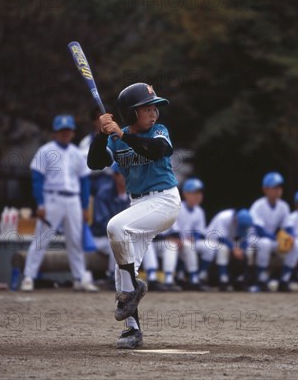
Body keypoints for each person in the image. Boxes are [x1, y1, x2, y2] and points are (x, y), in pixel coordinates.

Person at [87, 83, 180, 349]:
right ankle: (132, 331)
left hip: (164, 201)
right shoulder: (118, 137)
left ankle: (135, 289)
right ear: (130, 113)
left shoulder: (158, 132)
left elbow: (157, 150)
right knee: (122, 269)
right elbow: (95, 163)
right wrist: (101, 134)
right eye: (146, 109)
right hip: (138, 205)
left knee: (115, 227)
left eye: (154, 108)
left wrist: (122, 136)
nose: (153, 114)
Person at [20, 114, 99, 293]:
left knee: (75, 241)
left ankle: (79, 278)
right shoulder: (45, 150)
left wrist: (85, 206)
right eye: (62, 130)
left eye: (68, 130)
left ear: (72, 133)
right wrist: (40, 204)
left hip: (73, 200)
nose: (65, 133)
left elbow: (85, 182)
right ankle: (28, 277)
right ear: (55, 132)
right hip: (52, 198)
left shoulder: (77, 153)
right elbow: (37, 179)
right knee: (42, 239)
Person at [142, 178, 208, 292]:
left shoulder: (199, 211)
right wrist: (177, 238)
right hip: (156, 242)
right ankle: (168, 279)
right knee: (172, 245)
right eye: (194, 193)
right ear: (185, 194)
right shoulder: (175, 206)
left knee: (187, 245)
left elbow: (199, 232)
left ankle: (193, 279)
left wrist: (190, 238)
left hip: (177, 241)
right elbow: (169, 231)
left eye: (199, 193)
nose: (197, 196)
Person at [249, 172, 291, 291]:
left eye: (279, 187)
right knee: (265, 243)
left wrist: (291, 236)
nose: (278, 190)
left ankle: (285, 280)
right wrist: (277, 237)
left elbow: (288, 227)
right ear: (265, 189)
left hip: (270, 238)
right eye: (274, 187)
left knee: (294, 245)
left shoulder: (284, 206)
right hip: (254, 238)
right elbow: (259, 230)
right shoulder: (258, 205)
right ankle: (260, 279)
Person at [201, 208, 254, 291]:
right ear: (236, 220)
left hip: (231, 242)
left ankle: (241, 279)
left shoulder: (247, 221)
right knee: (223, 248)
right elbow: (220, 238)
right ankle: (223, 280)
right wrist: (234, 248)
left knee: (249, 250)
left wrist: (241, 250)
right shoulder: (224, 217)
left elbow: (246, 239)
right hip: (212, 240)